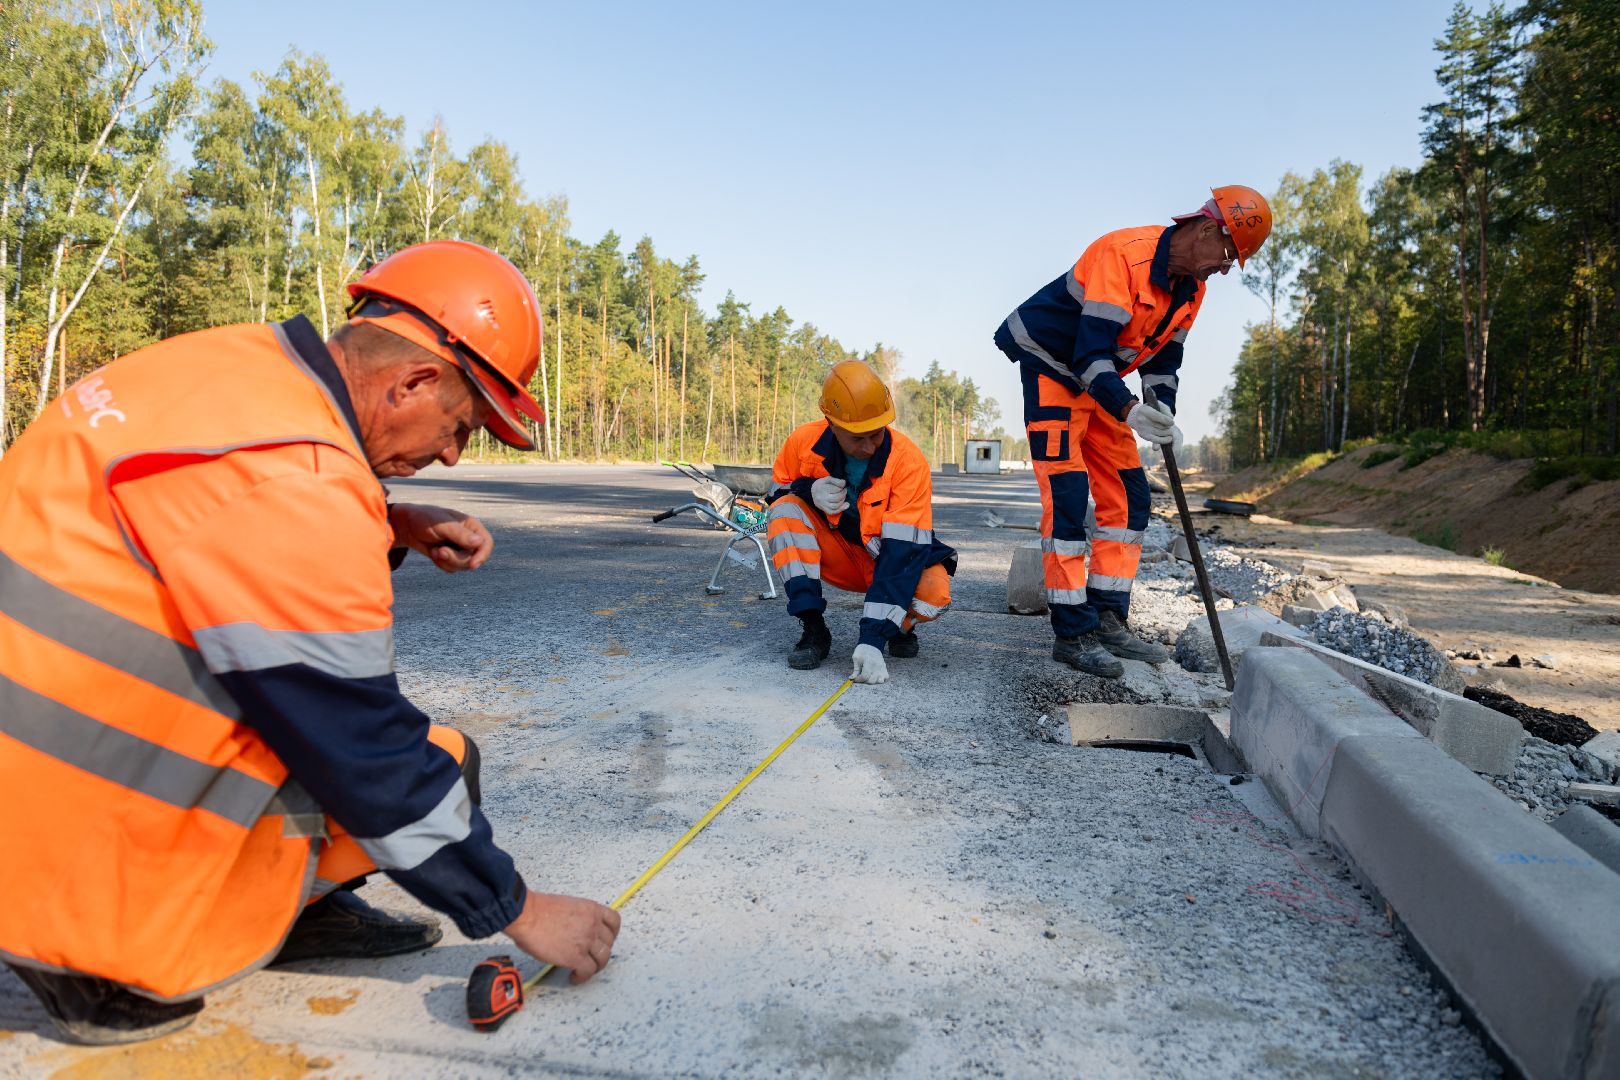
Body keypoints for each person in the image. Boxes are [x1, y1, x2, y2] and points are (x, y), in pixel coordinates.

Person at [0, 239, 619, 1044]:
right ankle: (95, 957)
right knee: (409, 766)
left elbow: (194, 523)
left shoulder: (234, 365)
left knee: (445, 755)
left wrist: (385, 522)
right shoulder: (303, 486)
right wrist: (517, 908)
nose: (450, 455)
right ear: (414, 382)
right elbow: (367, 749)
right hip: (57, 810)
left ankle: (295, 915)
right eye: (460, 426)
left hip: (37, 726)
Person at [993, 185, 1272, 678]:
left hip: (1096, 379)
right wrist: (1128, 410)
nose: (1227, 268)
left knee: (1129, 493)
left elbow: (1165, 359)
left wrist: (1161, 410)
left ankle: (1105, 617)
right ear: (1207, 229)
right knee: (1068, 492)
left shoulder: (1192, 289)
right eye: (1229, 254)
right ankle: (1072, 633)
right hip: (1053, 363)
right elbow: (1089, 352)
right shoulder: (1122, 255)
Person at [764, 360, 956, 684]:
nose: (868, 446)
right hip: (838, 554)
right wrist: (807, 489)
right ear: (831, 423)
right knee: (784, 512)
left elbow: (903, 553)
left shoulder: (908, 462)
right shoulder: (803, 442)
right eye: (857, 437)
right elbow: (775, 491)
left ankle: (896, 626)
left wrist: (872, 638)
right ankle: (814, 631)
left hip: (889, 557)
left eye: (877, 434)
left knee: (934, 595)